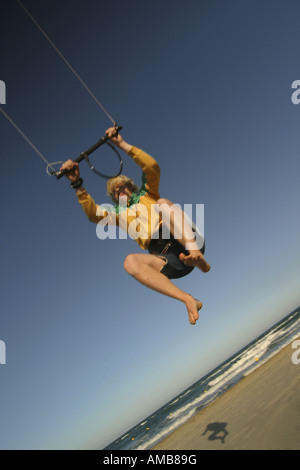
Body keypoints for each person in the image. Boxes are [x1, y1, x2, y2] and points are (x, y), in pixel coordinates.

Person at [60, 127, 210, 325]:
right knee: (129, 262)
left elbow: (152, 167)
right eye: (114, 192)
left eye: (120, 186)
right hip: (169, 260)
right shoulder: (118, 214)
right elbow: (93, 214)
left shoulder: (148, 193)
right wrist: (77, 184)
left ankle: (196, 254)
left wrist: (122, 144)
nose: (117, 191)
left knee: (162, 203)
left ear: (130, 186)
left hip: (185, 240)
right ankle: (187, 299)